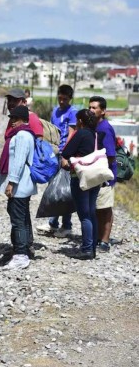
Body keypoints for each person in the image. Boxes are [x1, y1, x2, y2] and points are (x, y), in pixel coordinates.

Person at [0, 105, 37, 270]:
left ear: (24, 120)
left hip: (20, 185)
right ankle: (23, 248)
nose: (12, 122)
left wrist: (11, 182)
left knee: (17, 219)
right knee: (23, 216)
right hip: (23, 184)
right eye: (11, 118)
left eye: (15, 119)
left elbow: (19, 161)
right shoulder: (24, 134)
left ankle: (20, 255)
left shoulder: (22, 136)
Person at [60, 109, 103, 260]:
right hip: (95, 178)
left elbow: (66, 153)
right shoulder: (96, 135)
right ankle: (92, 247)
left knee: (84, 215)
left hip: (80, 177)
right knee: (91, 212)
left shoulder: (80, 133)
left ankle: (86, 249)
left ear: (80, 121)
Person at [37, 84, 77, 237]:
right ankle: (53, 222)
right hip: (54, 152)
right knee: (53, 187)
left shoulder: (72, 113)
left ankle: (66, 225)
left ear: (69, 99)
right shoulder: (55, 110)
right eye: (60, 98)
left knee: (65, 190)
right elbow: (53, 130)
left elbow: (71, 134)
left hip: (65, 154)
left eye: (65, 99)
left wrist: (66, 154)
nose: (62, 102)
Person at [88, 96, 118, 251]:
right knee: (97, 208)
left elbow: (111, 155)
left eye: (95, 108)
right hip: (96, 174)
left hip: (105, 175)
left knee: (105, 209)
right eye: (90, 107)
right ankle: (99, 237)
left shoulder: (104, 128)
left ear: (103, 111)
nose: (91, 110)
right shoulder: (94, 126)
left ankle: (105, 241)